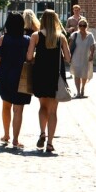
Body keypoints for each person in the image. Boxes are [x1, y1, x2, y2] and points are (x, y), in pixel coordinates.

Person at [26, 9, 72, 153]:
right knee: (53, 111)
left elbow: (28, 57)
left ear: (43, 20)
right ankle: (50, 143)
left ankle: (42, 133)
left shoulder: (36, 36)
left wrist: (37, 58)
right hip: (55, 76)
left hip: (40, 75)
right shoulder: (61, 37)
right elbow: (68, 58)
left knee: (42, 107)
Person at [0, 12, 32, 149]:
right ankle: (15, 139)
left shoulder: (4, 39)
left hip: (5, 77)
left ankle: (6, 134)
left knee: (6, 106)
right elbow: (29, 58)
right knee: (18, 110)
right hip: (21, 78)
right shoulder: (27, 40)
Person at [69, 20, 95, 98]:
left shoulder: (90, 35)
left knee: (84, 74)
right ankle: (78, 92)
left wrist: (91, 54)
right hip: (75, 57)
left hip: (85, 58)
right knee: (77, 74)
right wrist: (68, 55)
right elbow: (69, 45)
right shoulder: (74, 35)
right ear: (78, 26)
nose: (82, 27)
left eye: (84, 26)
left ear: (86, 26)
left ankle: (83, 88)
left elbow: (92, 46)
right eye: (80, 25)